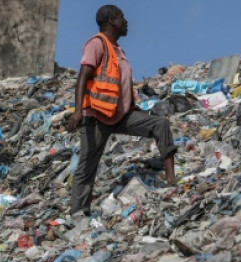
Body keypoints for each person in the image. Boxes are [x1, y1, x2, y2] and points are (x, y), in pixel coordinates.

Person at [67, 4, 177, 217]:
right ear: (112, 22)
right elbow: (83, 77)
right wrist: (78, 110)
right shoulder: (97, 44)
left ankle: (172, 180)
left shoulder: (119, 51)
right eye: (122, 17)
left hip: (120, 115)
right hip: (97, 116)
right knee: (87, 165)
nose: (126, 21)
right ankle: (78, 213)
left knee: (160, 124)